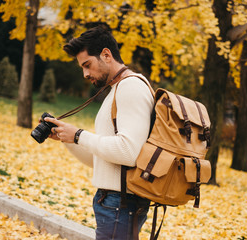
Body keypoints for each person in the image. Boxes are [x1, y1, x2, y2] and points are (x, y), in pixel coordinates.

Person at [45, 26, 154, 240]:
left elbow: (128, 152)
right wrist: (67, 139)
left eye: (88, 65)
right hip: (114, 204)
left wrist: (78, 135)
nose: (85, 74)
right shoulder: (117, 89)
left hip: (120, 204)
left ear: (106, 55)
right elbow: (102, 160)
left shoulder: (131, 87)